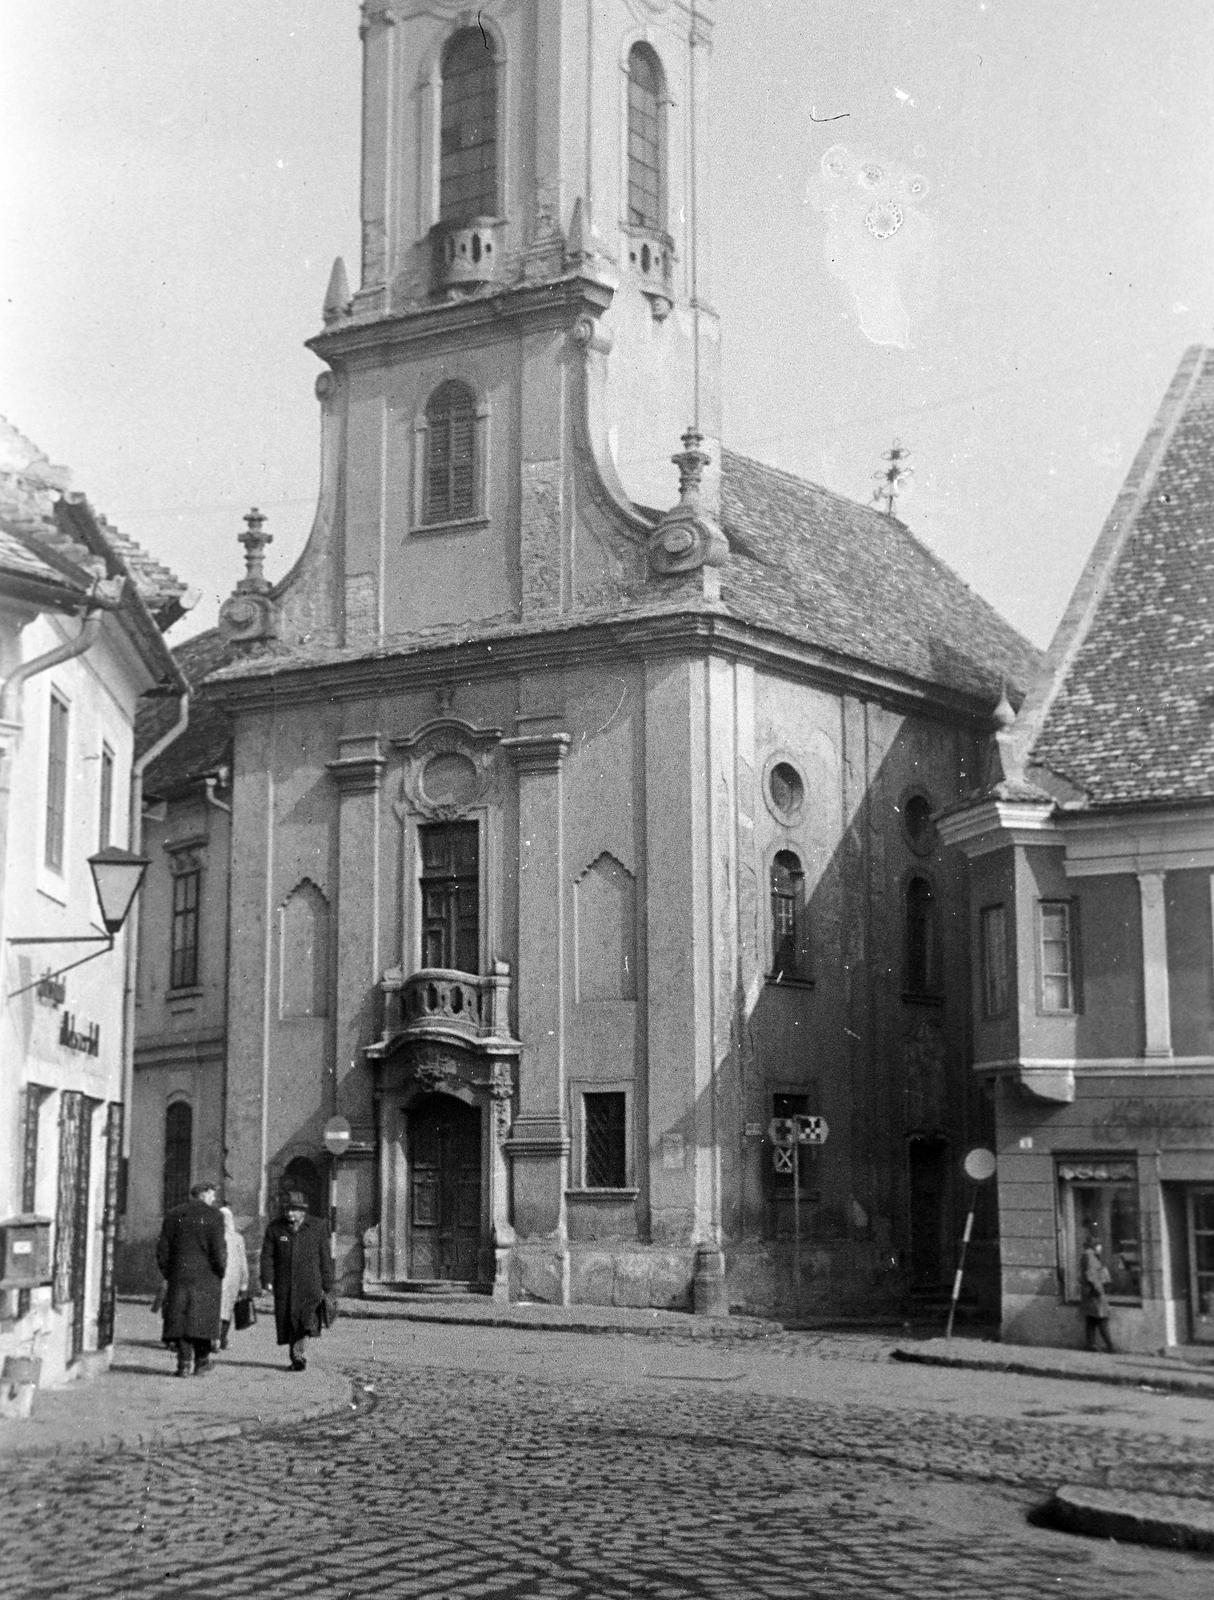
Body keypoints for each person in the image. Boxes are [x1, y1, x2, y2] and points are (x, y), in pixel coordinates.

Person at [156, 1179, 226, 1377]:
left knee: (182, 1320)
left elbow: (163, 1249)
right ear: (203, 1194)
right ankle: (201, 1362)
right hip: (207, 1276)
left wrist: (169, 1272)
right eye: (212, 1194)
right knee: (203, 1320)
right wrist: (220, 1270)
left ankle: (183, 1364)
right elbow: (219, 1250)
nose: (213, 1198)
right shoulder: (215, 1216)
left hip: (180, 1275)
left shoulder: (174, 1214)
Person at [259, 1190, 334, 1371]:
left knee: (306, 1322)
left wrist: (328, 1282)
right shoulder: (275, 1229)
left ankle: (298, 1355)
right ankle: (296, 1355)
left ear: (303, 1211)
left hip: (310, 1285)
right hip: (285, 1285)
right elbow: (267, 1257)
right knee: (289, 1321)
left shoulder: (317, 1226)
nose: (289, 1214)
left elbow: (325, 1257)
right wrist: (267, 1280)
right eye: (286, 1210)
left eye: (293, 1210)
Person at [217, 1205, 250, 1350]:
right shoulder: (238, 1238)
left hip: (217, 1277)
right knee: (227, 1310)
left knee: (216, 1308)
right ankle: (222, 1338)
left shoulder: (213, 1236)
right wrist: (244, 1283)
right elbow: (243, 1262)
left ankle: (214, 1338)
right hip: (232, 1280)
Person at [1079, 1227, 1115, 1352]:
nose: (1100, 1247)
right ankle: (1110, 1346)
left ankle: (1091, 1344)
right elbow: (1091, 1275)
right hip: (1094, 1293)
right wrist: (1100, 1291)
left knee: (1091, 1319)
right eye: (1098, 1244)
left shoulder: (1089, 1256)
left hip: (1089, 1293)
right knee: (1102, 1319)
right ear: (1093, 1245)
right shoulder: (1090, 1256)